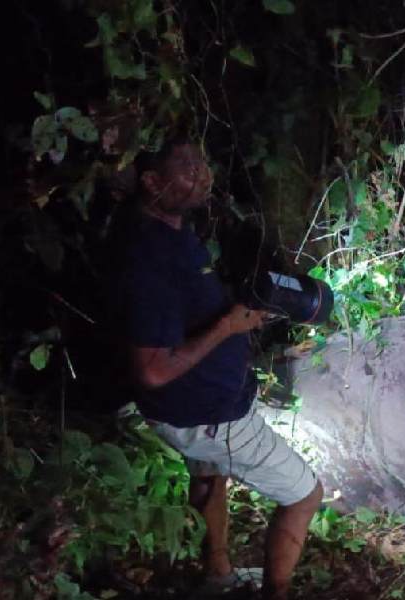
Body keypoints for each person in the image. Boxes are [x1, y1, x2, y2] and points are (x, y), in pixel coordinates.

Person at [109, 139, 322, 599]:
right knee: (304, 496)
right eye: (187, 168)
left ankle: (217, 574)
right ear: (151, 181)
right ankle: (277, 593)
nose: (203, 176)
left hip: (194, 407)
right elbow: (152, 370)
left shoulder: (168, 229)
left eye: (203, 164)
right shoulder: (149, 260)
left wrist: (239, 312)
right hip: (208, 414)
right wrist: (229, 325)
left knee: (209, 476)